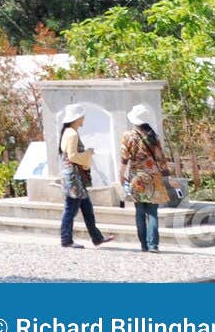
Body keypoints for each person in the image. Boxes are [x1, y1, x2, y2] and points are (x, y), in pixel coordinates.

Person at [57, 103, 115, 248]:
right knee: (71, 209)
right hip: (74, 177)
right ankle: (66, 239)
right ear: (77, 118)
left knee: (87, 208)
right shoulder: (72, 133)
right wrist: (88, 153)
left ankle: (96, 237)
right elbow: (73, 156)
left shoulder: (68, 132)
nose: (84, 119)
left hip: (73, 176)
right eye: (82, 116)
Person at [118, 103, 172, 253]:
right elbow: (161, 159)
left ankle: (144, 245)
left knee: (140, 212)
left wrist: (121, 175)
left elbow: (124, 159)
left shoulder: (128, 136)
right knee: (153, 212)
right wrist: (167, 177)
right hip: (154, 177)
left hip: (137, 177)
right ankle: (153, 244)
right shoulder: (154, 136)